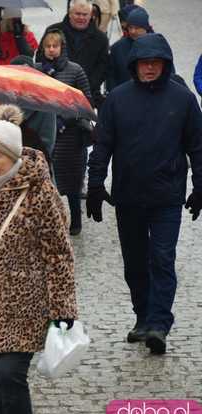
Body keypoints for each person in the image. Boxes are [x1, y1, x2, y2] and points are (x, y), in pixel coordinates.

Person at [0, 104, 78, 414]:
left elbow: (58, 252)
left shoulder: (38, 191)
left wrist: (63, 306)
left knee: (10, 378)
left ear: (13, 155)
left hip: (26, 303)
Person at [87, 33, 202, 355]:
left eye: (156, 62)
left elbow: (197, 146)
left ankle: (159, 324)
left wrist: (200, 185)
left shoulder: (183, 100)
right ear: (134, 65)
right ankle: (143, 317)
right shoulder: (118, 100)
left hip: (167, 196)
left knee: (162, 259)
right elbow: (103, 145)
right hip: (128, 196)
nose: (150, 68)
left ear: (165, 64)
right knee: (135, 263)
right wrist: (95, 184)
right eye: (144, 63)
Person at [36, 28, 92, 236]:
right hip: (48, 134)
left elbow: (87, 101)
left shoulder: (75, 71)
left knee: (73, 182)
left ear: (62, 47)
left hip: (71, 135)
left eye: (55, 46)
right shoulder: (37, 71)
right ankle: (51, 223)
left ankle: (76, 221)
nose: (51, 50)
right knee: (49, 181)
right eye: (48, 46)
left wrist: (69, 114)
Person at [44, 0, 109, 106]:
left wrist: (85, 87)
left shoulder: (100, 39)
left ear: (91, 15)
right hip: (55, 93)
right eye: (77, 14)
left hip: (86, 95)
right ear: (69, 13)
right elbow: (41, 58)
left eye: (85, 14)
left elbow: (103, 68)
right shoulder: (53, 31)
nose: (81, 18)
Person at [106, 7, 152, 91]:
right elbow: (111, 75)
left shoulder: (157, 46)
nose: (133, 31)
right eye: (130, 27)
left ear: (146, 28)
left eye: (137, 28)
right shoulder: (117, 48)